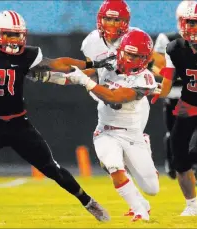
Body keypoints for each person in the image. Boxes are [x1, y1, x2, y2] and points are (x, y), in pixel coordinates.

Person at [0, 10, 112, 221]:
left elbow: (58, 63)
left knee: (52, 169)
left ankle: (88, 201)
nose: (14, 39)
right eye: (9, 34)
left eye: (18, 35)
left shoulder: (28, 54)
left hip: (19, 125)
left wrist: (91, 64)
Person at [31, 0, 156, 220]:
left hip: (132, 107)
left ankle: (138, 147)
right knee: (111, 161)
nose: (111, 24)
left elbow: (129, 84)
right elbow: (85, 70)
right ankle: (137, 203)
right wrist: (49, 70)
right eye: (107, 18)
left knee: (150, 186)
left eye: (116, 19)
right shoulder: (93, 44)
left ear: (126, 23)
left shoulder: (136, 41)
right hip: (106, 100)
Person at [63, 29, 160, 222]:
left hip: (132, 135)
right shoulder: (108, 63)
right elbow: (75, 73)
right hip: (105, 131)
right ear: (121, 50)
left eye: (137, 56)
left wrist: (86, 83)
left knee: (152, 189)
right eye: (129, 53)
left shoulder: (145, 78)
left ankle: (144, 147)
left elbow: (115, 98)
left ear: (145, 58)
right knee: (114, 167)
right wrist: (50, 75)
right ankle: (139, 209)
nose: (131, 59)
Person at [151, 2, 197, 216]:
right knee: (179, 161)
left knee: (195, 153)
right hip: (185, 107)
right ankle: (192, 205)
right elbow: (167, 82)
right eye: (190, 23)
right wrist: (156, 91)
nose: (194, 28)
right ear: (182, 24)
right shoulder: (174, 48)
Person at [152, 0, 197, 187]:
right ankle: (172, 160)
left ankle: (192, 171)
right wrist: (172, 73)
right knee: (174, 132)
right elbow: (155, 65)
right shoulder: (166, 38)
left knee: (194, 135)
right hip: (174, 92)